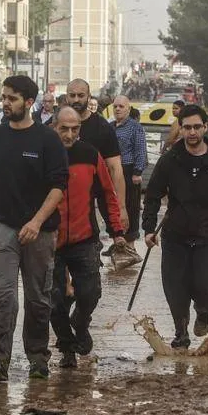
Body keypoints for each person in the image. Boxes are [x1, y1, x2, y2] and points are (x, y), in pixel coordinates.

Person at [0, 74, 67, 382]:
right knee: (3, 294)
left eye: (11, 98)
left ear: (28, 102)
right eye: (4, 97)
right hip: (0, 226)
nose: (5, 103)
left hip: (40, 231)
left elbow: (58, 187)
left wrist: (37, 222)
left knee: (38, 297)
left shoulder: (47, 140)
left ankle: (38, 358)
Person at [142, 104, 208, 349]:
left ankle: (205, 311)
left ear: (205, 128)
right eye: (187, 127)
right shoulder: (170, 159)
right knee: (174, 287)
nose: (192, 132)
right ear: (181, 129)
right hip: (175, 233)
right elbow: (153, 194)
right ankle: (181, 332)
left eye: (197, 127)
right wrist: (148, 229)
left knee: (203, 283)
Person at [49, 106, 126, 368]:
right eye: (64, 129)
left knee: (90, 293)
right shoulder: (43, 155)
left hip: (85, 238)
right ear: (54, 127)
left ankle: (80, 323)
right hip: (50, 241)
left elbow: (107, 195)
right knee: (54, 300)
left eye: (75, 129)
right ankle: (67, 348)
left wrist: (117, 232)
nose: (69, 135)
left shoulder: (90, 155)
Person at [66, 79, 128, 235]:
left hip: (91, 202)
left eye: (81, 95)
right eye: (72, 95)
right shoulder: (52, 126)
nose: (76, 100)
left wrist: (121, 208)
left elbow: (115, 169)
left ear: (89, 97)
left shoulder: (102, 128)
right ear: (66, 97)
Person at [111, 94, 147, 265]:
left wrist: (137, 172)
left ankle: (130, 247)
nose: (118, 109)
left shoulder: (135, 128)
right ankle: (117, 245)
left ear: (128, 109)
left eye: (121, 106)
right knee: (114, 207)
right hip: (111, 171)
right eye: (115, 106)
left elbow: (141, 151)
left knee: (131, 208)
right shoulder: (109, 127)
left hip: (129, 171)